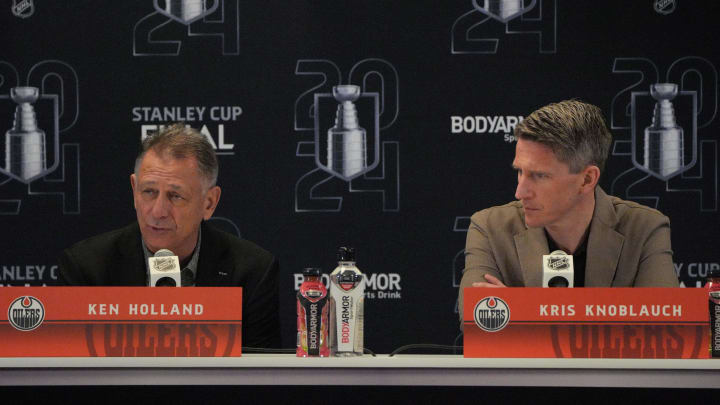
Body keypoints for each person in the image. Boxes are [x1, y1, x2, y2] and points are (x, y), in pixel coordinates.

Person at [59, 124, 280, 348]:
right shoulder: (87, 269)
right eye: (149, 192)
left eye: (175, 196)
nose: (158, 212)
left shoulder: (252, 273)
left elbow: (259, 378)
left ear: (209, 203)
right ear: (134, 190)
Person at [458, 100, 679, 320]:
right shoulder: (489, 227)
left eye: (540, 175)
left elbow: (662, 325)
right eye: (520, 172)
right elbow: (477, 320)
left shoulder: (645, 228)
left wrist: (518, 309)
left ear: (586, 179)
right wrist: (618, 313)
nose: (520, 192)